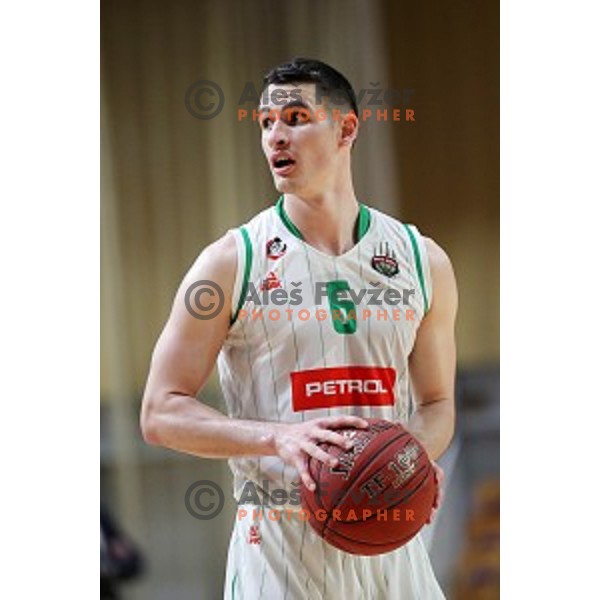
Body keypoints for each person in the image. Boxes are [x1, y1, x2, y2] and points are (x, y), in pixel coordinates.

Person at [140, 58, 458, 599]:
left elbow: (437, 405)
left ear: (346, 128)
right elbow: (160, 411)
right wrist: (277, 437)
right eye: (266, 123)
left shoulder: (421, 261)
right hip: (282, 545)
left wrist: (412, 459)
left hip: (392, 546)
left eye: (294, 117)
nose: (275, 137)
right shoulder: (230, 262)